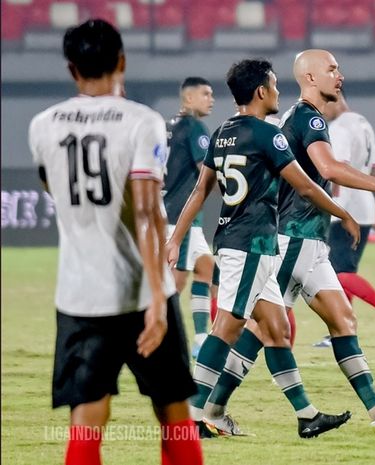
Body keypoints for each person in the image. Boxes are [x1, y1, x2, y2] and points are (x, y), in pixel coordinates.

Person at [201, 49, 375, 436]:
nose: (340, 75)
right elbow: (329, 168)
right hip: (291, 240)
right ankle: (210, 409)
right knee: (261, 330)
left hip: (310, 243)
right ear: (311, 78)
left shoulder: (295, 117)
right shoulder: (307, 116)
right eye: (332, 69)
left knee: (339, 319)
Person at [28, 19, 202, 465]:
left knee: (87, 416)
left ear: (72, 69)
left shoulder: (42, 125)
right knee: (173, 413)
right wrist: (159, 303)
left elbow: (54, 187)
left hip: (80, 296)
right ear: (121, 61)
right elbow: (146, 211)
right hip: (144, 293)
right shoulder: (141, 121)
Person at [166, 58, 356, 439]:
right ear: (260, 92)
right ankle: (191, 419)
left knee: (277, 328)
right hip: (249, 244)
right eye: (273, 85)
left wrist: (175, 238)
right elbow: (305, 186)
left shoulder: (221, 132)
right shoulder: (269, 135)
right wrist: (343, 214)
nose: (278, 91)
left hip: (249, 244)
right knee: (227, 327)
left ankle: (306, 415)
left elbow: (201, 192)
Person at [312, 90, 375, 349]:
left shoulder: (338, 128)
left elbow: (336, 172)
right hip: (364, 207)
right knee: (345, 272)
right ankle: (341, 331)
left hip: (346, 209)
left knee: (336, 273)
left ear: (335, 100)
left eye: (324, 106)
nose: (321, 112)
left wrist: (333, 208)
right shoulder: (362, 123)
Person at [163, 76, 217, 358]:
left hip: (171, 212)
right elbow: (206, 170)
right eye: (206, 94)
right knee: (175, 282)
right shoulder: (196, 128)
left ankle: (200, 339)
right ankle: (160, 338)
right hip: (180, 215)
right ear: (188, 99)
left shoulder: (167, 128)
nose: (211, 99)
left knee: (206, 268)